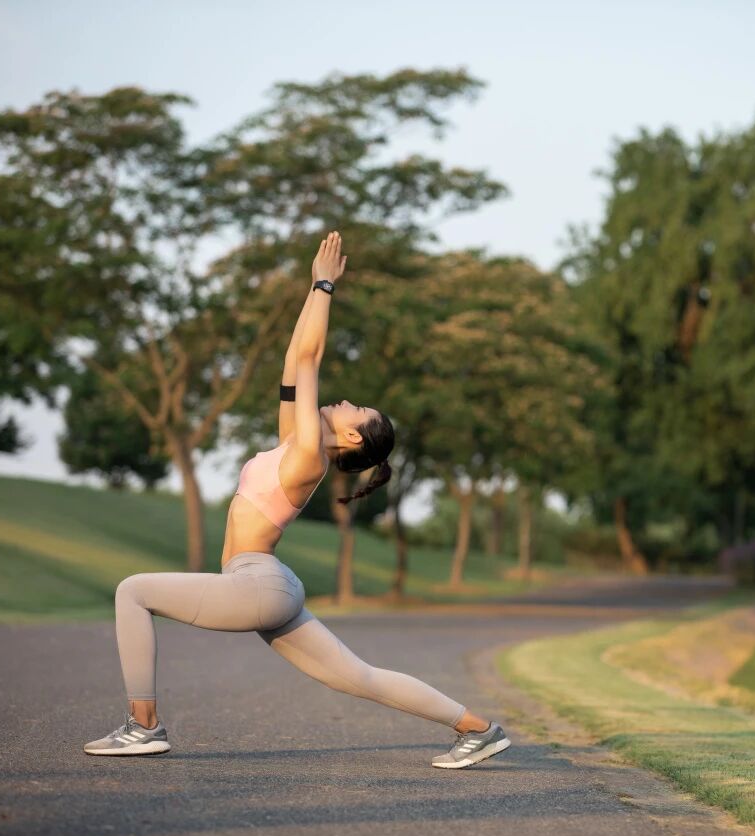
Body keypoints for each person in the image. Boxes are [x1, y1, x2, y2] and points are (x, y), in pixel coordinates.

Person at [84, 231, 510, 770]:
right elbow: (294, 359)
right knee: (360, 676)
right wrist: (313, 289)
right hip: (266, 585)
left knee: (132, 591)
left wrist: (325, 285)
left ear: (351, 437)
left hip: (257, 585)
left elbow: (309, 357)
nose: (345, 400)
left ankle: (143, 727)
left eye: (356, 409)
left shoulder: (309, 455)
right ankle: (479, 729)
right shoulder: (295, 442)